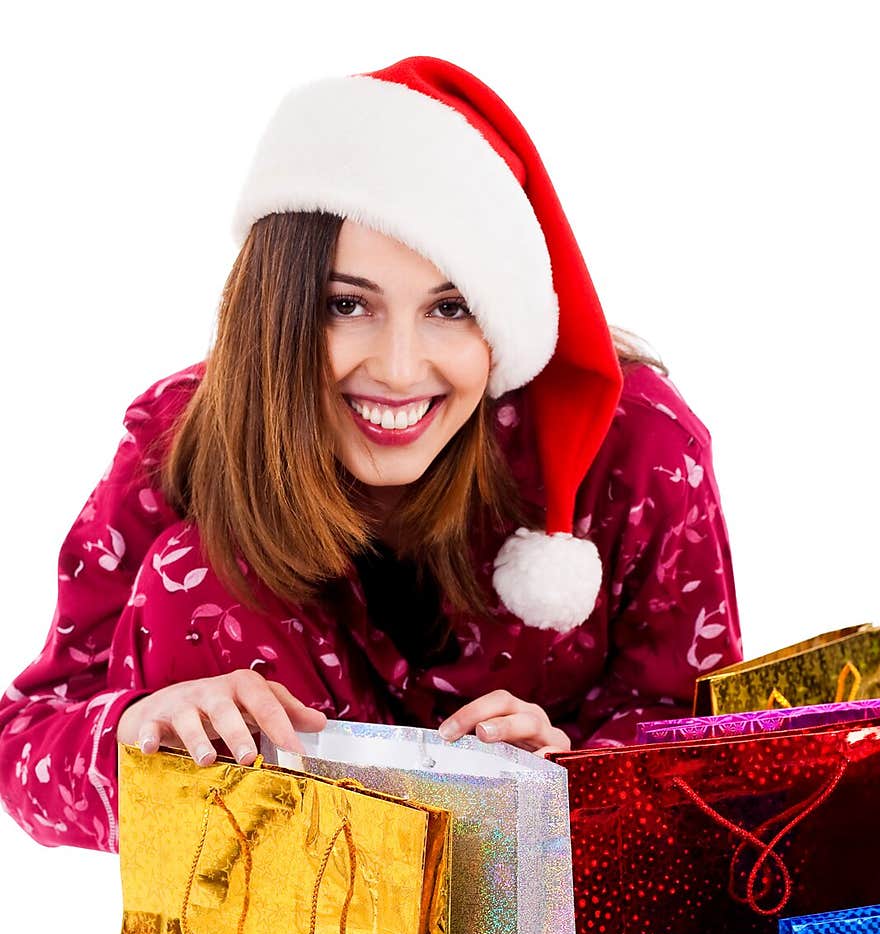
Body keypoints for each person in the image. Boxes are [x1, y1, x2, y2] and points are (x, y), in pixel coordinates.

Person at [0, 55, 742, 855]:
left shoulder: (637, 447)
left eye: (450, 308)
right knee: (204, 572)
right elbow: (26, 743)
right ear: (276, 310)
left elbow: (705, 741)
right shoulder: (183, 437)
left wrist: (566, 778)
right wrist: (138, 736)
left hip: (539, 921)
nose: (396, 368)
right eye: (347, 305)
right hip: (288, 926)